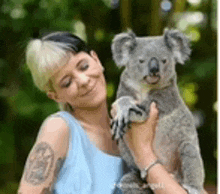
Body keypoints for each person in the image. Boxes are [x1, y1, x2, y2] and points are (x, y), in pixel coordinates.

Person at [17, 31, 189, 194]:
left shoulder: (135, 128)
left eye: (84, 66)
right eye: (67, 83)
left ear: (96, 60)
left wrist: (144, 154)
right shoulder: (59, 129)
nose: (83, 81)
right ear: (55, 96)